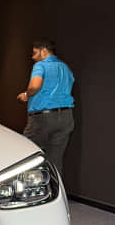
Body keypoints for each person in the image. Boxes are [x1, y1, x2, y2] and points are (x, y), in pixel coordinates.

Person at [17, 40, 75, 177]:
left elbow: (35, 86)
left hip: (43, 118)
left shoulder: (40, 65)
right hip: (66, 117)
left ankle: (30, 192)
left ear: (43, 51)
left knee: (28, 155)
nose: (33, 57)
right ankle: (55, 194)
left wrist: (25, 95)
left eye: (35, 53)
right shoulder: (65, 67)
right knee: (55, 160)